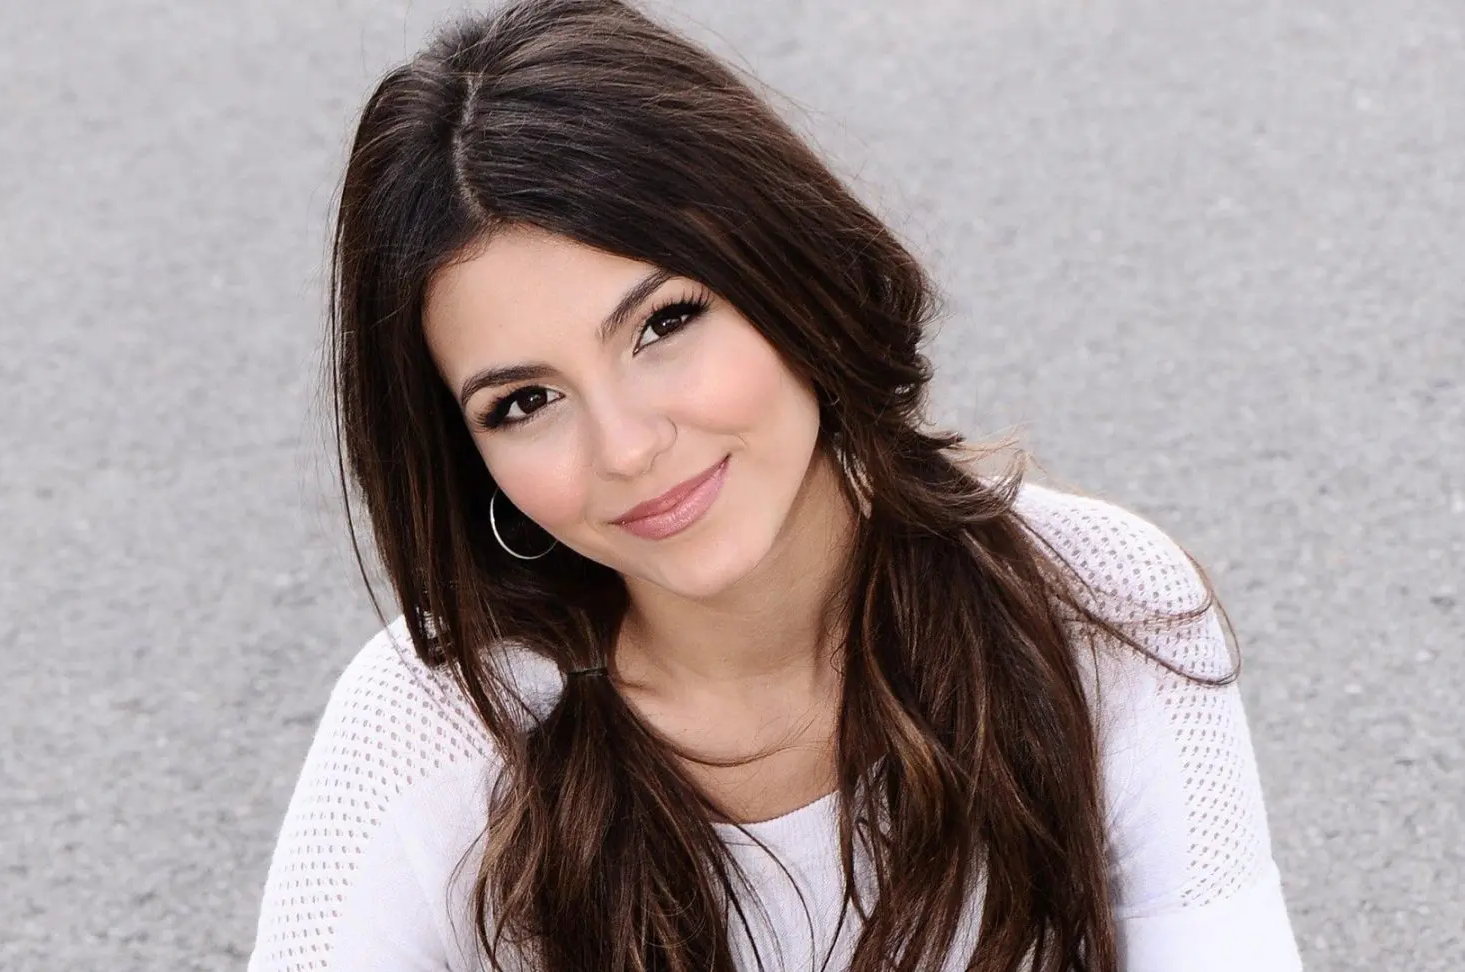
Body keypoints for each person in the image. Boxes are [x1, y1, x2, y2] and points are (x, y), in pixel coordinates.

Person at [246, 0, 1303, 969]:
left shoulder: (1099, 605)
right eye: (525, 402)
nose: (627, 447)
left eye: (664, 324)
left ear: (787, 275)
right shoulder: (429, 733)